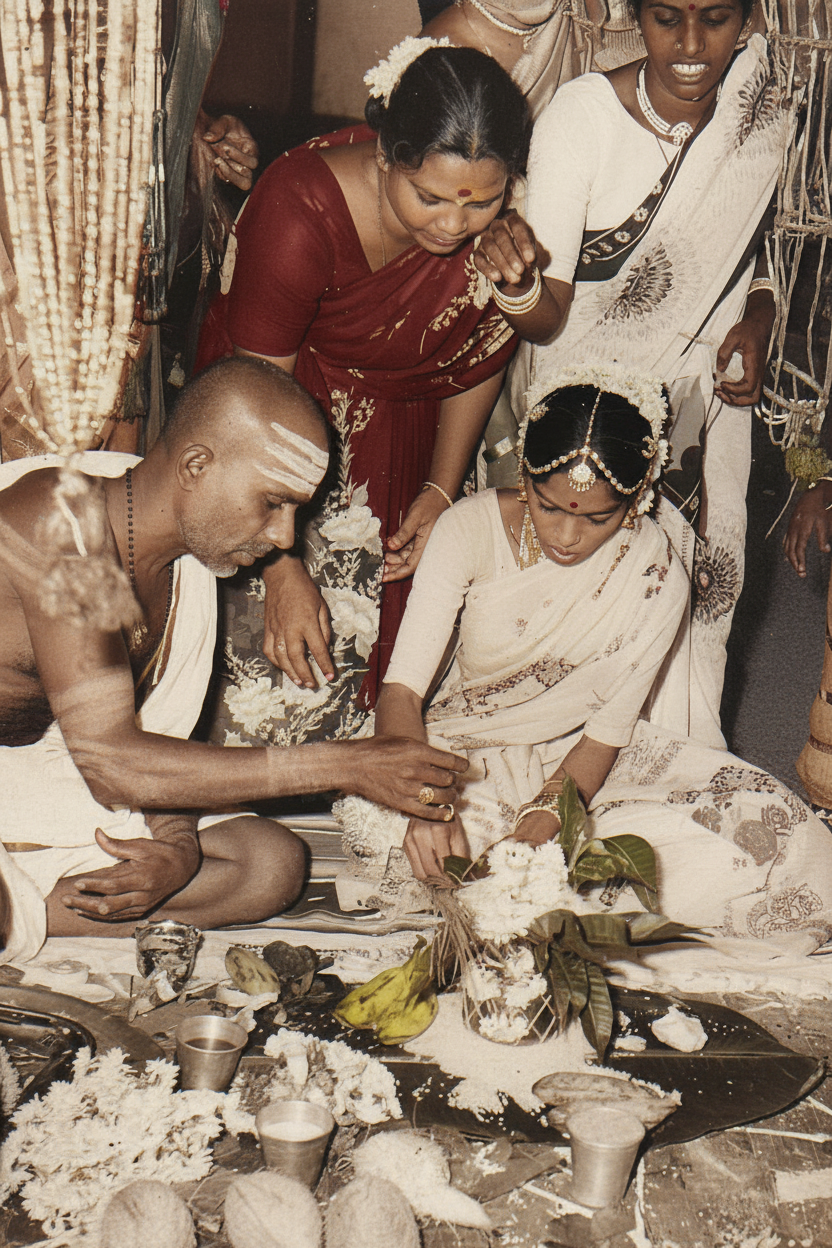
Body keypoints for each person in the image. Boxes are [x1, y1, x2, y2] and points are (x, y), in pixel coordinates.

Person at [0, 357, 466, 963]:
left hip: (50, 792)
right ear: (196, 466)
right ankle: (21, 913)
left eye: (294, 509)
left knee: (271, 865)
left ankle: (33, 911)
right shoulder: (60, 520)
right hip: (57, 785)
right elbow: (112, 764)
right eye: (273, 502)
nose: (284, 537)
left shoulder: (185, 560)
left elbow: (160, 740)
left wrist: (177, 849)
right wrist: (347, 764)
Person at [370, 370, 832, 947]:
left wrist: (541, 828)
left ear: (635, 502)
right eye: (549, 507)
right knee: (435, 853)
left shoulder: (655, 573)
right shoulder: (467, 529)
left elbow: (603, 739)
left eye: (597, 518)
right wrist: (426, 808)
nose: (567, 536)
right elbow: (401, 693)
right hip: (463, 756)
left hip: (585, 766)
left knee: (777, 838)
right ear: (525, 477)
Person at [471, 0, 789, 748]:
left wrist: (760, 318)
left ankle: (678, 751)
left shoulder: (763, 104)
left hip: (705, 397)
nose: (690, 44)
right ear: (638, 15)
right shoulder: (582, 119)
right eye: (666, 18)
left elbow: (764, 242)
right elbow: (547, 318)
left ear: (748, 22)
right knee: (577, 609)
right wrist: (516, 283)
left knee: (692, 605)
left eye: (715, 19)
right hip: (588, 409)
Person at [195, 40, 530, 722]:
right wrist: (280, 568)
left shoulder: (497, 223)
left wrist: (441, 488)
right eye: (428, 197)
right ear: (384, 156)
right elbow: (253, 404)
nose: (453, 225)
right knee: (284, 682)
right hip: (284, 427)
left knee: (429, 648)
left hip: (418, 417)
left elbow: (478, 351)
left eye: (480, 203)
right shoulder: (299, 212)